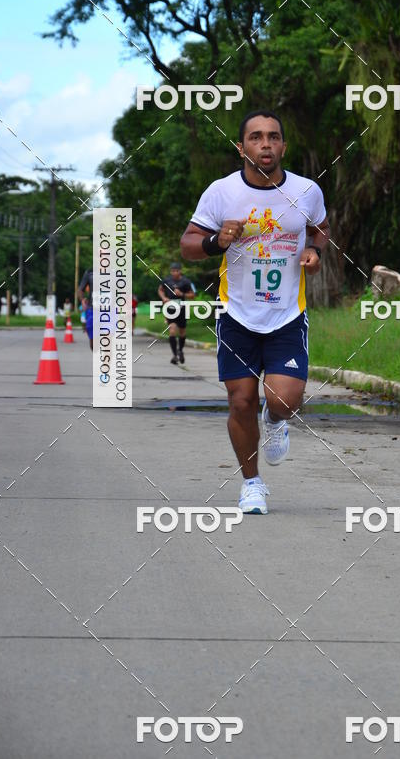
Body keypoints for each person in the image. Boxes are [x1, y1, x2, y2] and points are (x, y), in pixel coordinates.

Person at [180, 109, 330, 515]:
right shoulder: (222, 192)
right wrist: (216, 240)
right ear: (241, 146)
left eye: (274, 137)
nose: (266, 144)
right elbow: (189, 245)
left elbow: (319, 227)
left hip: (286, 315)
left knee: (283, 399)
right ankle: (252, 484)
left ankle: (277, 419)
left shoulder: (306, 191)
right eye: (256, 137)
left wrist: (314, 250)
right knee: (240, 401)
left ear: (283, 145)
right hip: (237, 315)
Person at [157, 262, 196, 364]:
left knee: (182, 332)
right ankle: (175, 355)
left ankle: (180, 351)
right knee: (172, 330)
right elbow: (160, 290)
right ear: (170, 271)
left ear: (180, 271)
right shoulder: (166, 280)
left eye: (176, 271)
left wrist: (182, 294)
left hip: (182, 309)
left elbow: (192, 295)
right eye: (173, 271)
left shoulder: (186, 281)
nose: (174, 273)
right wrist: (164, 298)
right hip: (170, 309)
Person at [77, 269, 94, 351]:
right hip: (92, 310)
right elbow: (80, 290)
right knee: (93, 345)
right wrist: (82, 299)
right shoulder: (89, 273)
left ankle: (106, 362)